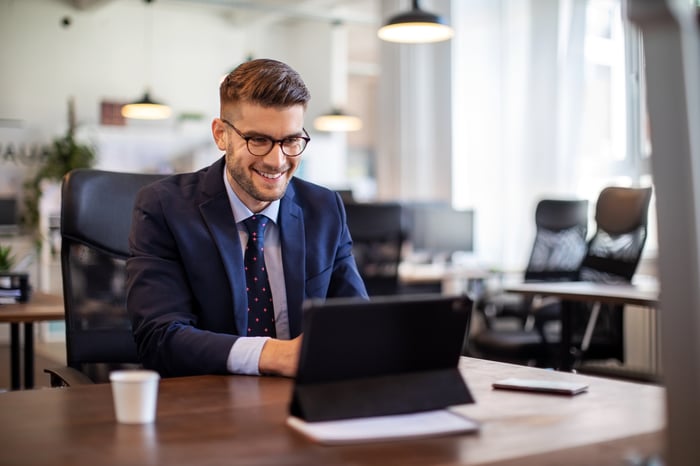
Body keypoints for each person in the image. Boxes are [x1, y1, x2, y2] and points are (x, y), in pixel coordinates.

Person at [126, 58, 368, 379]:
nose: (277, 160)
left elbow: (358, 321)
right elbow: (159, 338)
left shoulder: (324, 209)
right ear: (221, 135)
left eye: (291, 141)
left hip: (305, 402)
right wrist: (273, 354)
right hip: (207, 405)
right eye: (259, 140)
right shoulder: (164, 208)